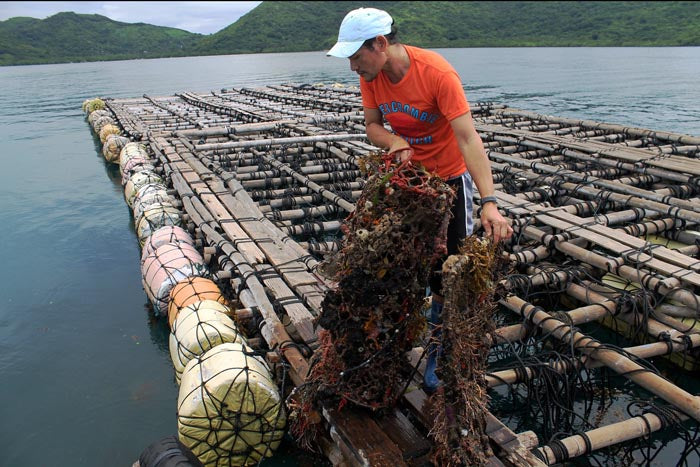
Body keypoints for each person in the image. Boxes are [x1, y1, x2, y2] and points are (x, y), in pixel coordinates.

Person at [327, 7, 513, 392]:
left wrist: (489, 201)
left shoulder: (437, 73)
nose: (353, 67)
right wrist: (394, 140)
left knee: (445, 275)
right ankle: (387, 346)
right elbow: (373, 126)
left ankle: (438, 357)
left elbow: (468, 139)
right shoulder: (372, 76)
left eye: (356, 57)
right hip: (407, 183)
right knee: (391, 266)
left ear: (380, 44)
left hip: (447, 184)